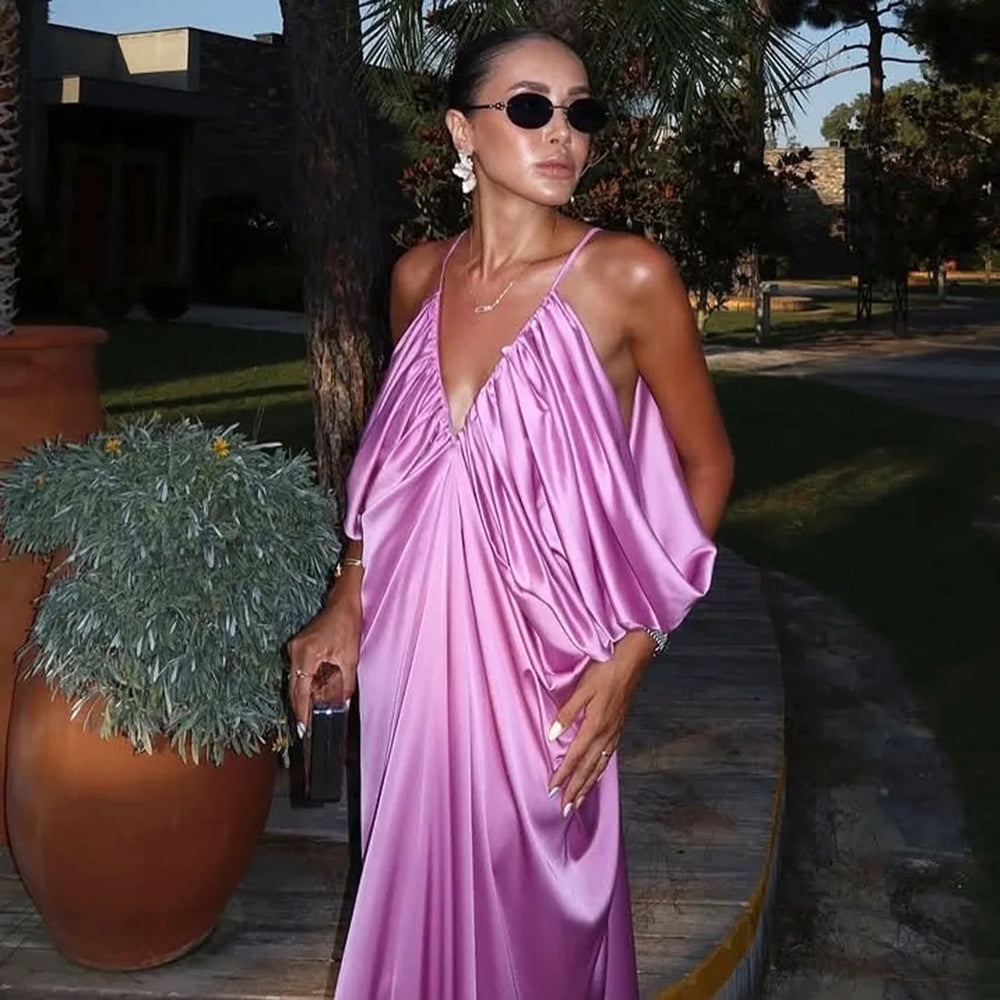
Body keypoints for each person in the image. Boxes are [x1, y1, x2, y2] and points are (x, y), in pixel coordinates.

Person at [287, 24, 734, 1000]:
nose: (562, 132)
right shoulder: (417, 277)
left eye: (582, 112)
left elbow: (706, 466)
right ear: (462, 129)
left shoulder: (629, 278)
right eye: (530, 107)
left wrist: (633, 651)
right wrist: (345, 601)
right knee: (411, 903)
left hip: (546, 666)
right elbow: (397, 462)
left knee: (539, 928)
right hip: (410, 655)